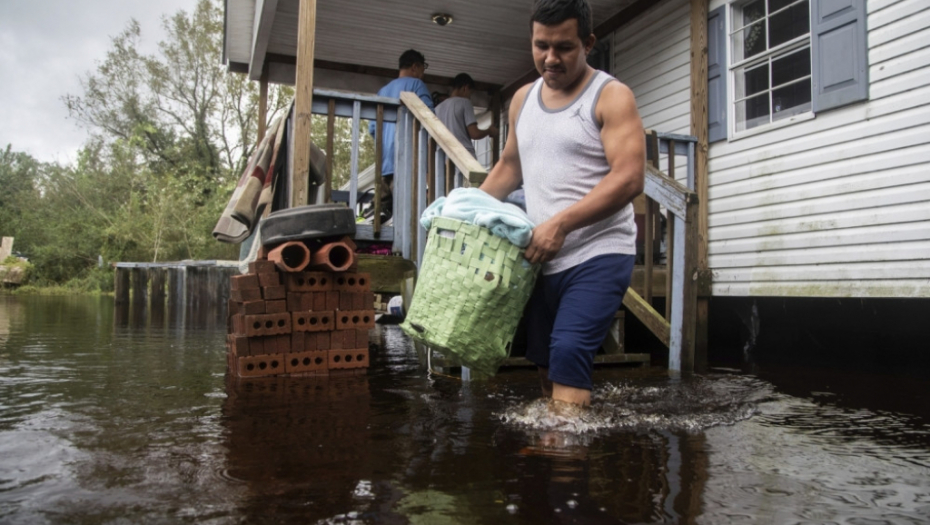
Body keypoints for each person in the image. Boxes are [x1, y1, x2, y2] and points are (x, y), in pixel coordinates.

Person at [479, 0, 645, 407]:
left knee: (569, 350)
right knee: (543, 358)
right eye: (541, 46)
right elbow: (509, 165)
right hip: (540, 256)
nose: (550, 58)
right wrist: (468, 210)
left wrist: (561, 225)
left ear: (588, 43)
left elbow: (629, 178)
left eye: (564, 48)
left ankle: (566, 461)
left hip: (599, 250)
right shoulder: (521, 99)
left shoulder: (611, 96)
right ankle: (554, 443)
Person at [367, 49, 435, 219]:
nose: (422, 73)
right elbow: (430, 119)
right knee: (409, 215)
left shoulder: (383, 91)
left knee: (382, 215)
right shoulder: (416, 85)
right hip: (408, 162)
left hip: (384, 164)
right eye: (423, 68)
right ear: (415, 66)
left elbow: (372, 128)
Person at [435, 73, 499, 161]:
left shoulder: (437, 109)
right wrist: (489, 130)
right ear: (465, 88)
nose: (470, 97)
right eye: (470, 93)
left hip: (444, 159)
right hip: (464, 156)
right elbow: (474, 133)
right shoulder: (465, 102)